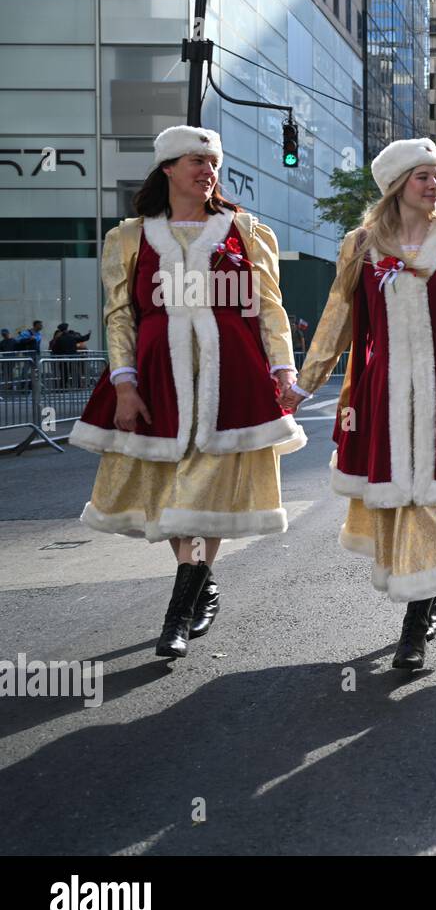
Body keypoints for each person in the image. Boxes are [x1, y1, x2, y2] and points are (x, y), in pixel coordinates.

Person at [282, 137, 436, 670]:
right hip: (387, 389)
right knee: (405, 498)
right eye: (423, 176)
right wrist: (304, 384)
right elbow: (338, 319)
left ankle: (418, 617)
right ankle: (425, 597)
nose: (435, 185)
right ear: (397, 185)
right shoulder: (362, 245)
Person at [70, 125, 305, 658]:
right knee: (178, 494)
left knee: (203, 494)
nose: (207, 170)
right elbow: (120, 316)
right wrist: (124, 384)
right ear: (168, 168)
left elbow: (268, 308)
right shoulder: (129, 237)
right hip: (159, 377)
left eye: (212, 162)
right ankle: (201, 582)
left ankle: (177, 615)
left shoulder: (245, 231)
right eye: (195, 161)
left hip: (232, 378)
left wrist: (284, 370)